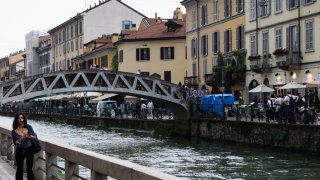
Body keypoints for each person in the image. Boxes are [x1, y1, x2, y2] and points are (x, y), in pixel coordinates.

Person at [12, 112, 38, 180]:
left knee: (29, 169)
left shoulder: (29, 127)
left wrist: (29, 136)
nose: (21, 120)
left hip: (29, 149)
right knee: (19, 168)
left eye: (22, 118)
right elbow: (16, 143)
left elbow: (34, 137)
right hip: (19, 150)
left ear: (24, 119)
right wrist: (23, 137)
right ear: (16, 120)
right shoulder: (14, 131)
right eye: (19, 118)